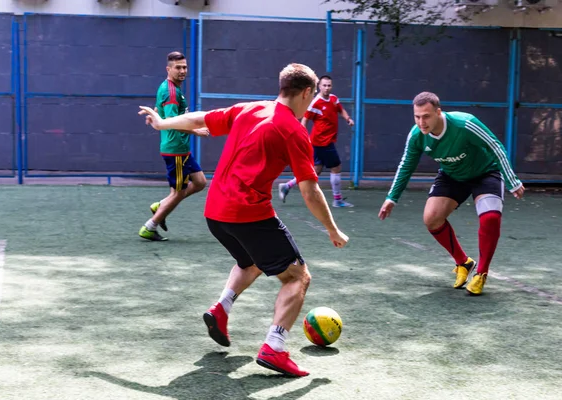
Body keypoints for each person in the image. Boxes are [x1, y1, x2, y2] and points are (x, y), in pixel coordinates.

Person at [138, 63, 349, 377]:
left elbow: (200, 118)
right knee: (297, 277)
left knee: (251, 260)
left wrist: (163, 123)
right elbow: (310, 190)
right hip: (248, 213)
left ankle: (220, 309)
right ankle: (275, 348)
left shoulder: (250, 109)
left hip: (215, 213)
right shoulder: (294, 130)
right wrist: (333, 229)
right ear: (307, 92)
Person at [378, 92, 524, 296]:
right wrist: (391, 198)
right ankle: (463, 263)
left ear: (439, 112)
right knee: (431, 219)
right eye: (417, 117)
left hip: (485, 172)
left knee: (490, 217)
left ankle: (481, 273)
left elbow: (495, 146)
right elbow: (406, 165)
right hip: (452, 176)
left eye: (426, 116)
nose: (421, 122)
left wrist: (512, 180)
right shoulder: (417, 135)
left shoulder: (464, 124)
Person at [139, 51, 209, 241]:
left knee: (200, 182)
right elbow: (172, 121)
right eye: (178, 67)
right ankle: (149, 226)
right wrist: (197, 131)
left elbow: (160, 110)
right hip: (175, 150)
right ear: (168, 69)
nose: (182, 71)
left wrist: (153, 114)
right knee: (178, 193)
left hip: (182, 149)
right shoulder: (171, 92)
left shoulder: (169, 88)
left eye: (184, 67)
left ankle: (161, 204)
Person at [278, 75, 355, 207]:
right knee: (336, 168)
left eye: (329, 85)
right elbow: (305, 120)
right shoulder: (315, 103)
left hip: (322, 143)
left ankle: (286, 186)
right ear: (319, 86)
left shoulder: (333, 99)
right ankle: (337, 200)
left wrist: (348, 119)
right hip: (322, 142)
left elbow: (340, 109)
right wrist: (301, 136)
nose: (326, 88)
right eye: (324, 85)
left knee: (314, 171)